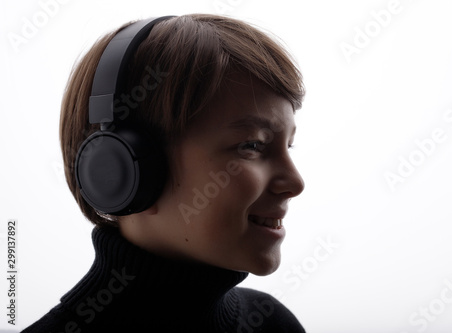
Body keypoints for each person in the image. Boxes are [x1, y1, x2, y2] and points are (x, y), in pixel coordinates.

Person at [23, 13, 306, 332]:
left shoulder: (272, 323)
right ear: (127, 169)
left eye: (289, 146)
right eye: (252, 145)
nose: (295, 183)